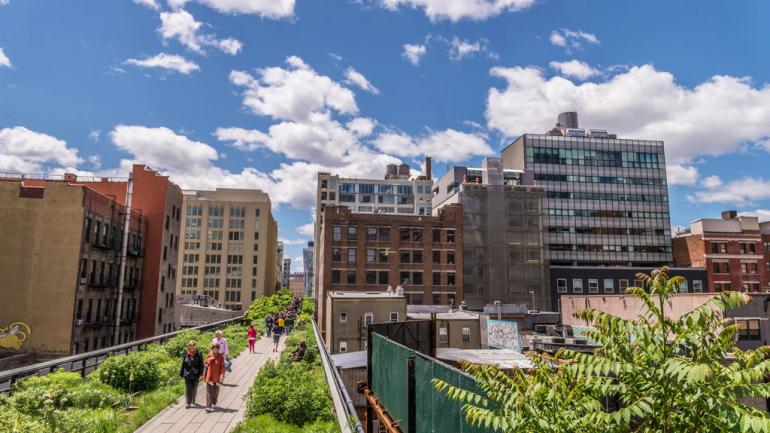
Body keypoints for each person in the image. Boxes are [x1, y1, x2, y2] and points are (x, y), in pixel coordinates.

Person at [179, 340, 204, 408]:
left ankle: (193, 399)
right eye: (190, 346)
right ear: (189, 347)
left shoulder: (199, 354)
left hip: (196, 374)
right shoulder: (186, 354)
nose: (192, 348)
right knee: (188, 388)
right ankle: (188, 402)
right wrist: (181, 373)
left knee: (194, 388)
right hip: (187, 374)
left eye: (193, 346)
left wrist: (201, 374)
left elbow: (202, 365)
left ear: (195, 347)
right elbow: (183, 364)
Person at [204, 343, 225, 412]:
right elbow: (206, 363)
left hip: (217, 377)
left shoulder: (220, 357)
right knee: (209, 392)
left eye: (216, 349)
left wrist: (222, 374)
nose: (214, 350)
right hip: (209, 376)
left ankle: (214, 402)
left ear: (218, 349)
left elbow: (222, 366)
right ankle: (208, 406)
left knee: (216, 391)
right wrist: (210, 359)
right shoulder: (209, 355)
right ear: (212, 349)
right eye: (213, 349)